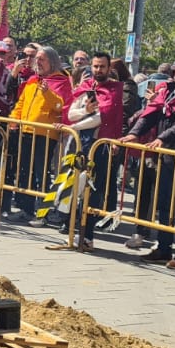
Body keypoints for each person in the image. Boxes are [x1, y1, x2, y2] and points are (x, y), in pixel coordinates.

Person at [123, 58, 175, 264]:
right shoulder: (167, 91)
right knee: (164, 202)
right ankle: (164, 247)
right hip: (165, 157)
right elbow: (150, 114)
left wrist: (162, 138)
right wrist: (134, 133)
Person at [5, 45, 69, 220]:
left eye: (42, 59)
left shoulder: (61, 81)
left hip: (45, 135)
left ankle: (44, 211)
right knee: (25, 171)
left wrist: (47, 93)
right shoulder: (33, 80)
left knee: (42, 174)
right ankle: (26, 209)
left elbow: (60, 106)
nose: (37, 62)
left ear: (52, 61)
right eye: (37, 59)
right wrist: (13, 120)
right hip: (25, 131)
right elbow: (21, 103)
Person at [73, 52, 124, 250]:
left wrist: (117, 140)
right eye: (95, 66)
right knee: (78, 189)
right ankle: (75, 230)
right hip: (81, 144)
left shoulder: (116, 89)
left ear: (109, 68)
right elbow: (71, 113)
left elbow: (113, 116)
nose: (98, 70)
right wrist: (84, 111)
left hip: (102, 146)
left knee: (93, 191)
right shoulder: (85, 88)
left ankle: (87, 235)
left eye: (102, 66)